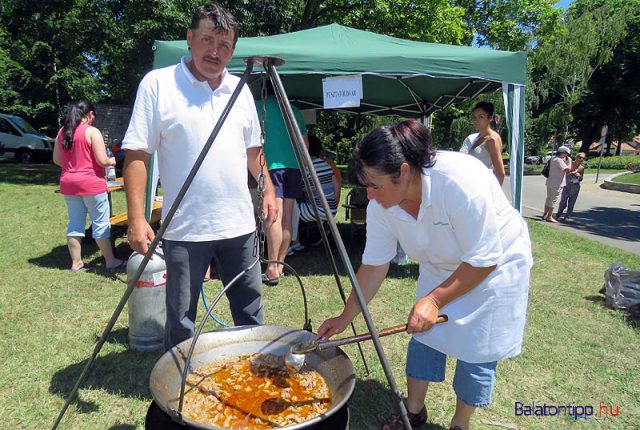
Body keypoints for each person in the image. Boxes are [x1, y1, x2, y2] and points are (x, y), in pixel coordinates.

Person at [317, 119, 533, 430]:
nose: (370, 196)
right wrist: (345, 316)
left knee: (476, 353)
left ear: (403, 171)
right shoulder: (382, 205)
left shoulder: (460, 182)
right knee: (423, 337)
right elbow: (375, 265)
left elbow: (483, 260)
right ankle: (414, 410)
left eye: (375, 185)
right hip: (441, 266)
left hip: (494, 267)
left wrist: (434, 299)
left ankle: (460, 423)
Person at [122, 3, 277, 351]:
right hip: (184, 228)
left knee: (250, 314)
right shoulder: (158, 85)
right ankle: (178, 389)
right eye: (207, 40)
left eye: (224, 45)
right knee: (181, 321)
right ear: (189, 38)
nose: (214, 52)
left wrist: (268, 188)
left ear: (233, 51)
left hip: (239, 225)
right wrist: (136, 217)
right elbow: (136, 155)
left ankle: (252, 380)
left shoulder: (240, 90)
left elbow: (254, 152)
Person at [53, 101, 125, 273]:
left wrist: (73, 166)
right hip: (91, 183)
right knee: (100, 223)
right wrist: (113, 160)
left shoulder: (62, 131)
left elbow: (57, 159)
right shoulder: (92, 132)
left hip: (69, 183)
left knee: (75, 223)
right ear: (90, 114)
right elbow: (102, 160)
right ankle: (110, 260)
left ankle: (76, 263)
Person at [256, 83, 308, 285]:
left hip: (271, 167)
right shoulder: (293, 109)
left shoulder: (259, 106)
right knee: (287, 218)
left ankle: (271, 268)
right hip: (293, 166)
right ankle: (280, 265)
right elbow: (304, 144)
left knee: (272, 216)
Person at [288, 135, 339, 252]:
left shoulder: (306, 168)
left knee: (289, 209)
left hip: (316, 210)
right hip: (331, 209)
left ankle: (295, 242)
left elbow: (296, 188)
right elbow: (335, 186)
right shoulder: (327, 165)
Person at [459, 102, 506, 185]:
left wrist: (495, 195)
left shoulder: (492, 140)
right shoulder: (477, 137)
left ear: (490, 118)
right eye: (474, 117)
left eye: (481, 117)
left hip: (484, 186)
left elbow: (500, 173)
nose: (476, 120)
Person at [542, 145, 572, 223]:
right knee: (553, 200)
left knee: (549, 198)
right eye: (566, 154)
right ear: (563, 153)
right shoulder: (559, 160)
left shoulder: (553, 159)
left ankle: (545, 214)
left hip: (550, 182)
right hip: (557, 183)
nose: (567, 156)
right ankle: (549, 216)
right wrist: (570, 161)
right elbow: (567, 170)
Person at [556, 152, 586, 222]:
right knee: (563, 201)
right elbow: (564, 173)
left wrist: (579, 176)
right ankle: (558, 214)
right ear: (576, 157)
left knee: (571, 203)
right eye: (580, 157)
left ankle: (567, 217)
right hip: (567, 185)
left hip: (575, 186)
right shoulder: (569, 164)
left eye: (583, 158)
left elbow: (581, 179)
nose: (581, 159)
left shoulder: (581, 168)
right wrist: (571, 173)